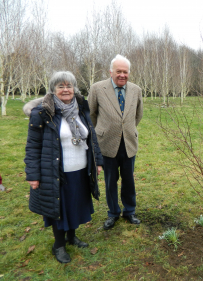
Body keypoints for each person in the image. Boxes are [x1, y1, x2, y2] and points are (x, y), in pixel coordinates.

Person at [24, 71, 103, 263]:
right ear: (53, 90)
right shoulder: (43, 113)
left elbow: (91, 137)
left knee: (74, 204)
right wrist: (33, 175)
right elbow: (33, 146)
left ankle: (71, 237)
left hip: (81, 170)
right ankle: (58, 245)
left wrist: (97, 161)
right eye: (61, 86)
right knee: (58, 207)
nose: (66, 90)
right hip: (56, 171)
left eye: (69, 86)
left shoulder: (81, 108)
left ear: (74, 88)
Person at [88, 54, 143, 230]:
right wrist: (101, 131)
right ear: (111, 72)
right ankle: (113, 213)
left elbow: (138, 114)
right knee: (111, 181)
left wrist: (127, 128)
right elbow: (91, 114)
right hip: (106, 144)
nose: (122, 75)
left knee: (129, 180)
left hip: (128, 143)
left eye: (125, 72)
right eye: (118, 71)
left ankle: (130, 211)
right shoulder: (97, 89)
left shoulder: (136, 90)